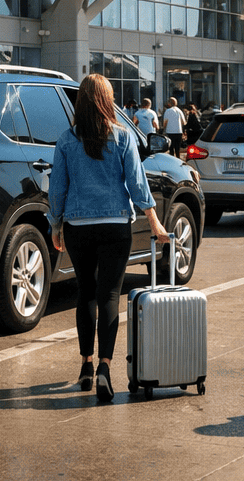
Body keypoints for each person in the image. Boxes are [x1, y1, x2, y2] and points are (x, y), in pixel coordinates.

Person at [48, 75, 168, 402]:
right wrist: (155, 223)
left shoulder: (66, 140)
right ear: (107, 100)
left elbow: (57, 188)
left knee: (85, 291)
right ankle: (104, 366)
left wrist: (56, 225)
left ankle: (85, 365)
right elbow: (137, 183)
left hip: (78, 226)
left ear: (81, 101)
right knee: (110, 295)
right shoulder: (123, 137)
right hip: (115, 225)